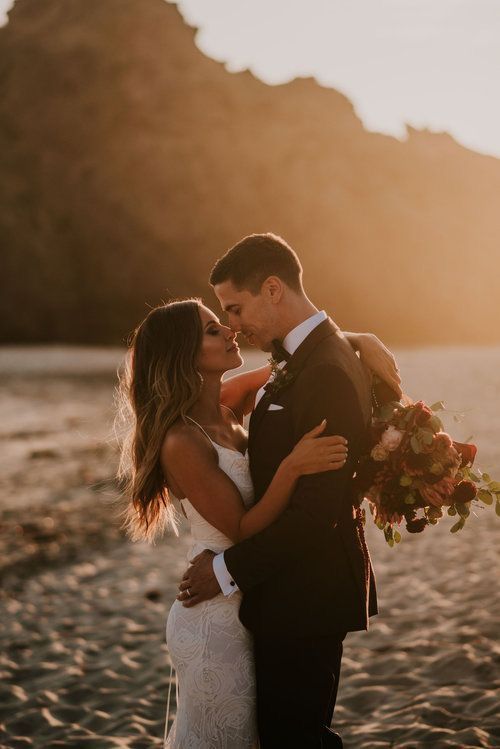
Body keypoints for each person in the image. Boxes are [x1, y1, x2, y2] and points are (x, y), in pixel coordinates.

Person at [177, 233, 401, 748]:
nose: (233, 325)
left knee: (296, 738)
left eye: (235, 308)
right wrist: (354, 337)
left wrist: (226, 570)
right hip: (289, 590)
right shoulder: (305, 356)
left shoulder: (322, 369)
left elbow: (316, 512)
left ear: (273, 289)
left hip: (307, 591)